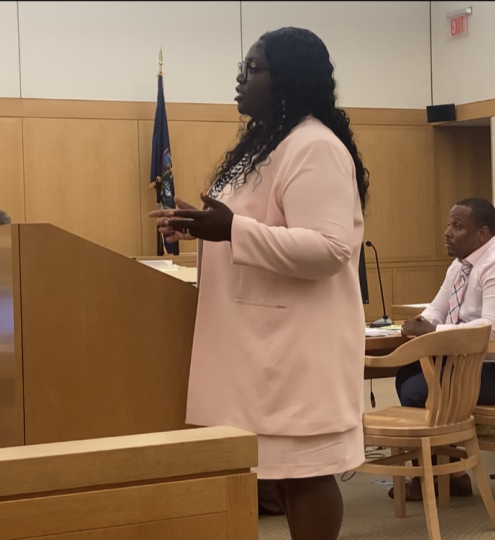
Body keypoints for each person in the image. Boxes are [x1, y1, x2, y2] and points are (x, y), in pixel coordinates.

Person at [150, 27, 368, 540]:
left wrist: (231, 230)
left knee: (306, 472)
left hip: (295, 347)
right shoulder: (268, 144)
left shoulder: (314, 146)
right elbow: (247, 226)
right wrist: (204, 225)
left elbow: (330, 250)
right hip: (258, 345)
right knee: (281, 474)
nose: (240, 79)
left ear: (289, 77)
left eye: (254, 69)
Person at [392, 197, 495, 501]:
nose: (447, 232)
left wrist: (433, 331)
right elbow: (436, 309)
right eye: (449, 224)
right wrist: (420, 322)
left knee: (417, 389)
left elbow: (494, 332)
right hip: (483, 366)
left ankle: (433, 479)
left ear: (483, 233)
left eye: (457, 226)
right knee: (408, 374)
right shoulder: (461, 266)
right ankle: (451, 475)